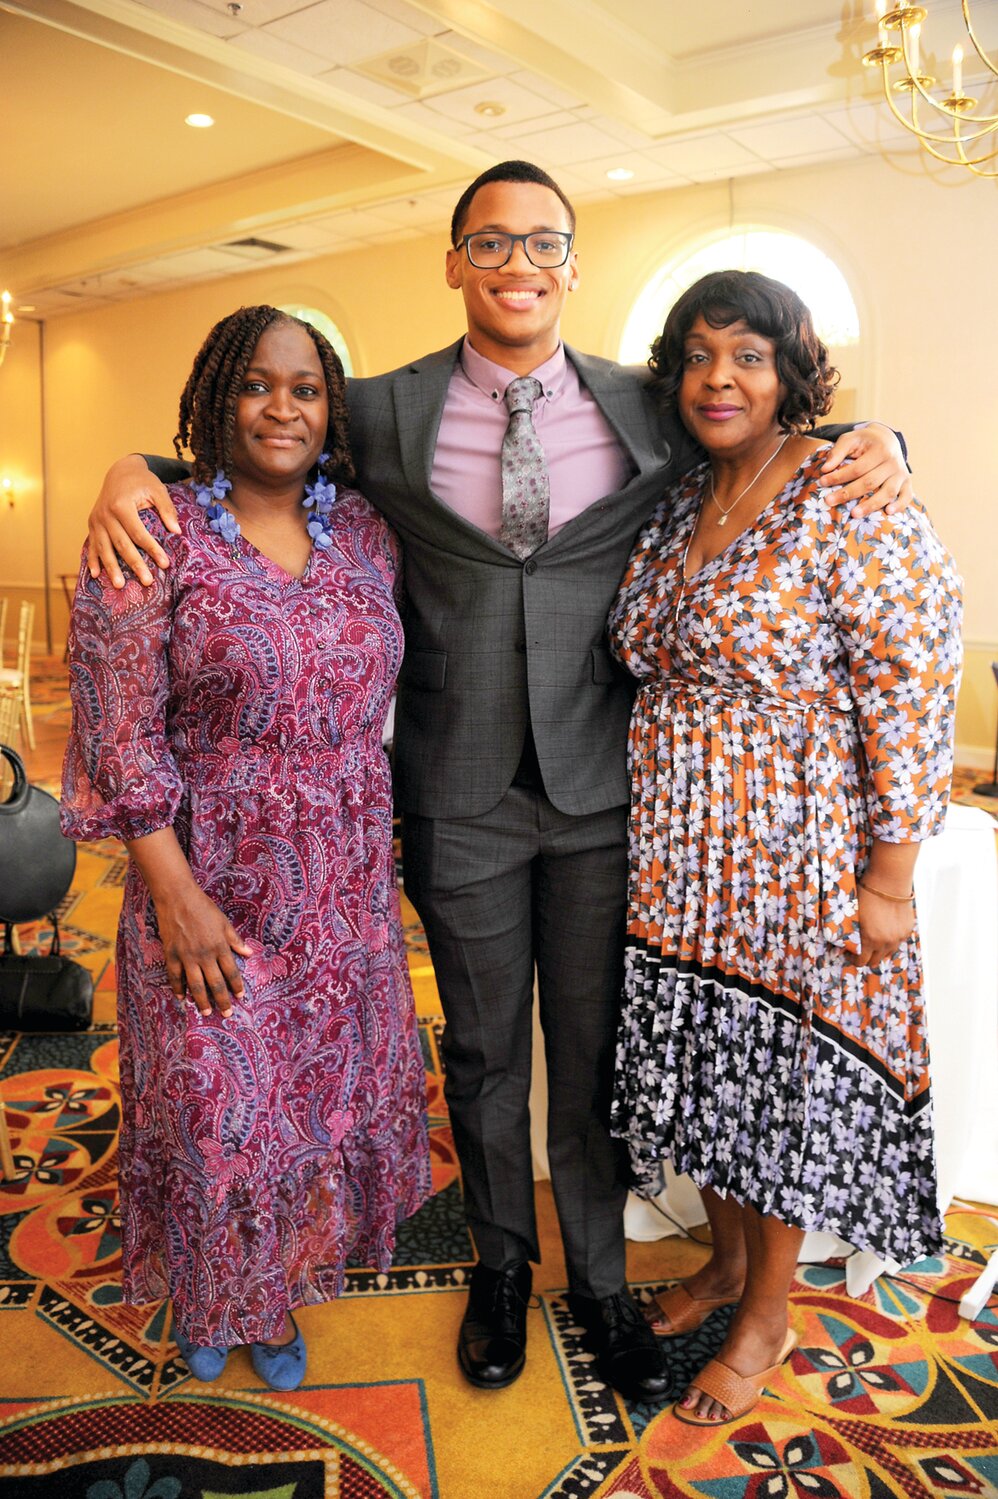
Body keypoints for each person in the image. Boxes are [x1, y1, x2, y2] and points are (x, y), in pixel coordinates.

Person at [84, 162, 912, 1402]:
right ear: (457, 261)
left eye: (542, 242)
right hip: (451, 787)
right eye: (490, 240)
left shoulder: (650, 400)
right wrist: (126, 466)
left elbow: (774, 422)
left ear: (569, 265)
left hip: (601, 790)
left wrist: (881, 441)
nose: (517, 261)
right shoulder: (384, 408)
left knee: (586, 1051)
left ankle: (595, 1278)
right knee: (478, 1052)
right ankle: (500, 1268)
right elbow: (259, 431)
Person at [607, 269, 962, 1426]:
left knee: (777, 1093)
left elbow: (914, 679)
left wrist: (889, 877)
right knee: (711, 1079)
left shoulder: (843, 489)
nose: (721, 377)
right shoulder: (673, 499)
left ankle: (766, 1310)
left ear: (790, 372)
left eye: (748, 355)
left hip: (791, 856)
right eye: (700, 354)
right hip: (677, 853)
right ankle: (718, 1260)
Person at [61, 306, 431, 1390]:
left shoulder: (368, 528)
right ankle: (218, 1286)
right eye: (257, 385)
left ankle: (270, 1288)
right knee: (214, 1095)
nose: (282, 407)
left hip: (345, 873)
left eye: (306, 388)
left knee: (311, 1092)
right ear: (216, 398)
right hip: (204, 865)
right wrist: (171, 890)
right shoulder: (152, 529)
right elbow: (116, 728)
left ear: (332, 409)